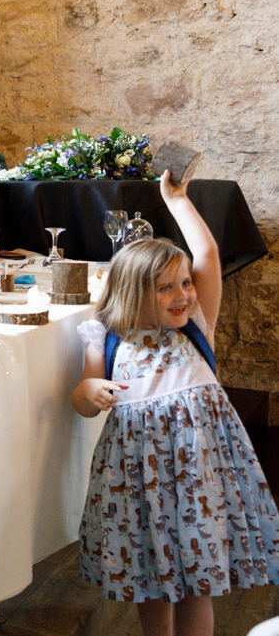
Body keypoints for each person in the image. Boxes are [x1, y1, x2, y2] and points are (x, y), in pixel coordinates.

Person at [72, 173, 279, 635]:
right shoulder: (107, 339)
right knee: (149, 576)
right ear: (133, 293)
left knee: (196, 583)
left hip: (197, 481)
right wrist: (90, 391)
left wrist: (178, 201)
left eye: (185, 283)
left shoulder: (196, 326)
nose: (183, 295)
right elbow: (82, 398)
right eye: (166, 287)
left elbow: (207, 255)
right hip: (138, 484)